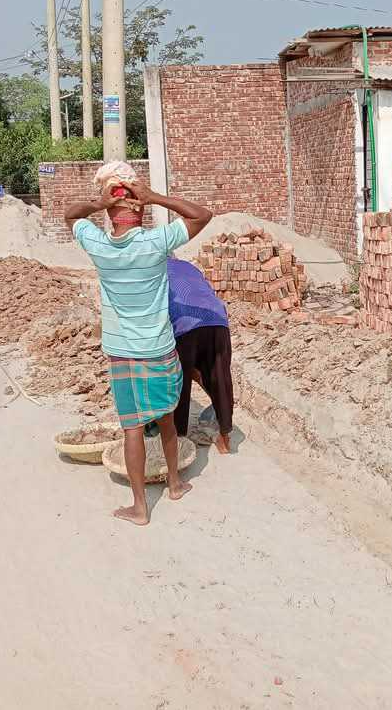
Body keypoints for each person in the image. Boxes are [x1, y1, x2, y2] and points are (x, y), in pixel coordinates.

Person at [64, 162, 212, 526]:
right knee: (166, 419)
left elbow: (70, 215)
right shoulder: (155, 242)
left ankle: (140, 507)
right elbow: (202, 215)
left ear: (109, 214)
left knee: (132, 428)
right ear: (140, 210)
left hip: (122, 353)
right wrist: (155, 196)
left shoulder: (98, 246)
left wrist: (97, 204)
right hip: (159, 348)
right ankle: (174, 485)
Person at [160, 257, 234, 454]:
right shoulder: (187, 266)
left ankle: (178, 439)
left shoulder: (153, 268)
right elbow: (205, 291)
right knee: (220, 379)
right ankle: (224, 438)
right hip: (217, 318)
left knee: (179, 381)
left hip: (184, 320)